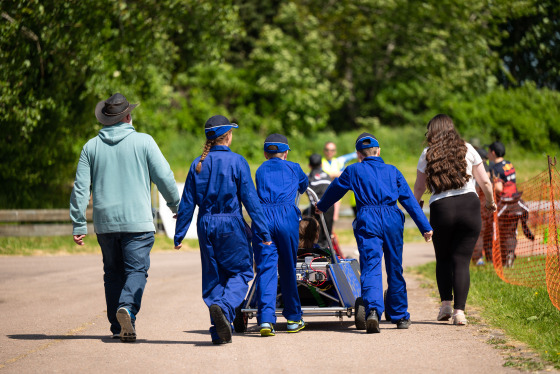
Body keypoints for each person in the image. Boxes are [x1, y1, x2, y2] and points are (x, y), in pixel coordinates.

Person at [70, 93, 180, 342]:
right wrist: (176, 205)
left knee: (113, 273)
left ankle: (117, 326)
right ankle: (128, 308)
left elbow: (80, 188)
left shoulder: (91, 147)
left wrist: (78, 222)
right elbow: (164, 176)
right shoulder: (144, 142)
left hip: (105, 223)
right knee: (136, 270)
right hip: (137, 222)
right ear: (128, 116)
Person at [317, 133, 433, 333]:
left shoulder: (353, 170)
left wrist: (321, 206)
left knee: (371, 266)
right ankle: (400, 316)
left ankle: (372, 312)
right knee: (395, 266)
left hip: (368, 219)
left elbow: (335, 189)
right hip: (392, 218)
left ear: (358, 154)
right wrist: (425, 227)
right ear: (379, 151)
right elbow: (409, 201)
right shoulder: (393, 171)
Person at [174, 115, 272, 345]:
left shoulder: (197, 163)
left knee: (214, 277)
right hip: (230, 223)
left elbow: (187, 202)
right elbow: (251, 200)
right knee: (242, 272)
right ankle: (225, 307)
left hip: (205, 224)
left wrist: (179, 234)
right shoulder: (238, 162)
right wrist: (264, 233)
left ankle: (219, 331)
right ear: (228, 136)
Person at [413, 114, 497, 326]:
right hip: (469, 206)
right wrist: (490, 202)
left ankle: (445, 306)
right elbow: (485, 182)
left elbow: (419, 187)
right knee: (461, 261)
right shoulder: (468, 148)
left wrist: (415, 205)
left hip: (441, 208)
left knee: (443, 259)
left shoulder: (427, 153)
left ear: (432, 131)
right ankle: (460, 312)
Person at [252, 134, 309, 337]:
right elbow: (304, 185)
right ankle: (293, 318)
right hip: (286, 217)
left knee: (266, 269)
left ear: (265, 153)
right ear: (285, 153)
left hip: (263, 217)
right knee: (287, 267)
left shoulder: (260, 170)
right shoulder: (294, 167)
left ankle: (266, 320)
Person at [487, 141, 534, 268]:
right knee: (512, 232)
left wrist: (488, 186)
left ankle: (504, 256)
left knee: (502, 231)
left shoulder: (495, 168)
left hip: (505, 204)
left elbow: (498, 188)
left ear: (493, 153)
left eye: (488, 151)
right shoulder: (509, 164)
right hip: (517, 201)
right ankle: (510, 254)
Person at [322, 141, 358, 220]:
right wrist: (335, 174)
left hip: (336, 192)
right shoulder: (321, 162)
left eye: (332, 150)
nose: (329, 152)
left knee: (334, 218)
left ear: (335, 151)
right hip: (323, 193)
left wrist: (331, 174)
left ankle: (331, 232)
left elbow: (343, 174)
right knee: (324, 217)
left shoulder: (338, 161)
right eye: (327, 150)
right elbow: (324, 175)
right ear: (324, 151)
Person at [307, 153, 334, 248]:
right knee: (327, 234)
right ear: (321, 165)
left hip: (316, 206)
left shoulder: (308, 177)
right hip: (329, 206)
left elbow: (310, 195)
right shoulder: (327, 176)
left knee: (316, 235)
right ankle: (328, 252)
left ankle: (317, 255)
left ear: (309, 165)